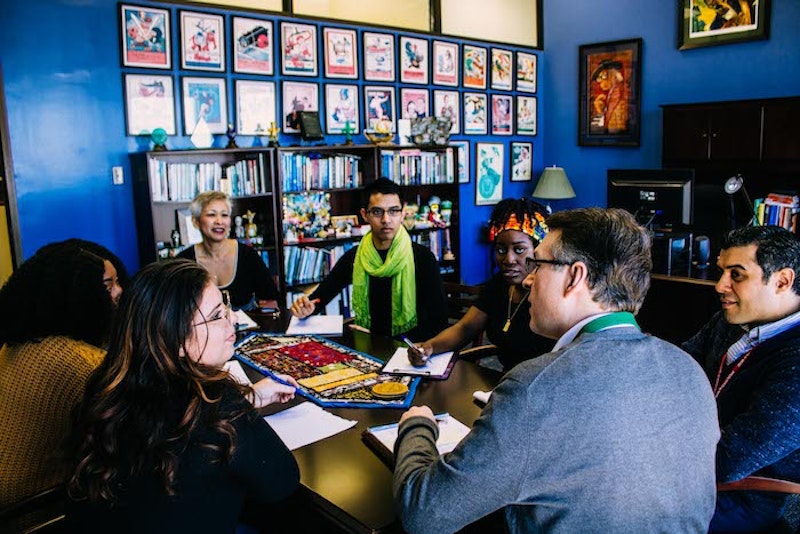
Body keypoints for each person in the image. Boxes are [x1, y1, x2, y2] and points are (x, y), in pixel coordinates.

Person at [393, 208, 719, 533]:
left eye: (537, 263)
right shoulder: (689, 369)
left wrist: (418, 428)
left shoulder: (534, 386)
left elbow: (425, 515)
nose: (529, 277)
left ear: (574, 277)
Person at [66, 259, 299, 533]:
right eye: (216, 316)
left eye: (226, 307)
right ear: (174, 338)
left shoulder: (106, 391)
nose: (233, 318)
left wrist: (247, 400)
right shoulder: (216, 401)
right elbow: (282, 481)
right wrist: (238, 406)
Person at [681, 225, 800, 533]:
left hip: (742, 496)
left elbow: (730, 460)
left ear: (782, 281)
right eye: (722, 272)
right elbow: (678, 370)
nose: (720, 286)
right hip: (694, 465)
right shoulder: (731, 320)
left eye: (736, 275)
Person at [0, 239, 125, 507]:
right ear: (77, 295)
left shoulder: (18, 345)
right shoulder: (81, 363)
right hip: (37, 509)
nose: (119, 292)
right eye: (108, 286)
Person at [290, 178, 448, 340]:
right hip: (370, 344)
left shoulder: (423, 258)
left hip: (413, 348)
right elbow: (320, 297)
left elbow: (439, 321)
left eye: (393, 211)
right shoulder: (355, 256)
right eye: (377, 212)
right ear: (365, 214)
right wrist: (305, 308)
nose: (386, 219)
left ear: (403, 213)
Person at [408, 198, 554, 371]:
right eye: (501, 249)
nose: (508, 259)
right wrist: (430, 347)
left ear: (537, 251)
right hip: (504, 382)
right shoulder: (498, 285)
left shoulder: (550, 295)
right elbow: (465, 328)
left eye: (519, 249)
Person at [178, 190, 279, 311]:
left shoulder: (248, 255)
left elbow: (271, 300)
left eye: (224, 215)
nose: (219, 221)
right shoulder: (183, 262)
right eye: (211, 214)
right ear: (196, 222)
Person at [590, 59, 628, 134]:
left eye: (603, 76)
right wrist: (600, 111)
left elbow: (613, 127)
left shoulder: (618, 94)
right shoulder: (611, 94)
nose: (600, 82)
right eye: (599, 78)